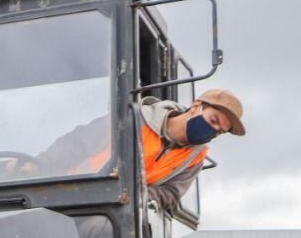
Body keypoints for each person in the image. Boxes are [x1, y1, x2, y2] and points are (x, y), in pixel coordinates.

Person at [30, 87, 246, 212]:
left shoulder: (194, 158)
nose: (212, 131)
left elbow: (170, 195)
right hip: (71, 195)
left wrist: (135, 192)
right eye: (213, 120)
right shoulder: (133, 120)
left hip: (116, 213)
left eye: (219, 131)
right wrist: (37, 166)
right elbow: (77, 144)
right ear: (197, 106)